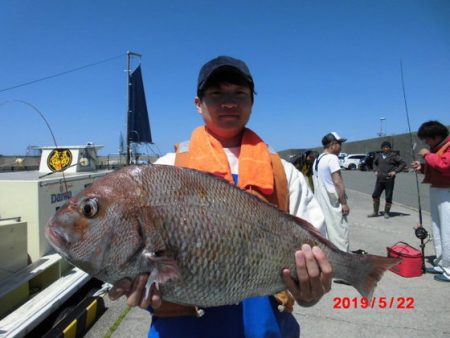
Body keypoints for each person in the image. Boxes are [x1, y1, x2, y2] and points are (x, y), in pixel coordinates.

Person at [109, 55, 333, 337]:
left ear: (252, 102)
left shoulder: (283, 173)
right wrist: (139, 291)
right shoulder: (165, 169)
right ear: (197, 103)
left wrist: (310, 292)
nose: (229, 102)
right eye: (216, 94)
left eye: (239, 93)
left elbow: (314, 265)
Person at [411, 120, 450, 283]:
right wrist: (422, 167)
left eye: (427, 138)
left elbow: (445, 165)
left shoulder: (447, 147)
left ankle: (449, 269)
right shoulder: (437, 149)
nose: (426, 142)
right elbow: (436, 167)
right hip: (437, 190)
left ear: (436, 136)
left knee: (447, 228)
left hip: (447, 192)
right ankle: (441, 262)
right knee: (437, 227)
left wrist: (427, 155)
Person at [312, 132, 350, 252]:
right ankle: (344, 259)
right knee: (339, 232)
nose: (341, 147)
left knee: (326, 232)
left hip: (320, 200)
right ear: (332, 145)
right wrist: (344, 203)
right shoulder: (332, 158)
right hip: (332, 201)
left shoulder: (317, 159)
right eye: (339, 144)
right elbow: (338, 182)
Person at [367, 141, 406, 219]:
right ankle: (375, 212)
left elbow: (403, 163)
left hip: (389, 179)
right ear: (382, 148)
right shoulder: (379, 156)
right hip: (380, 179)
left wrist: (395, 171)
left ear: (390, 148)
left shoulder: (394, 156)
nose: (385, 148)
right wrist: (375, 170)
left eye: (387, 147)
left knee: (388, 196)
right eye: (384, 147)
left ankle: (386, 213)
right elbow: (374, 163)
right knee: (375, 195)